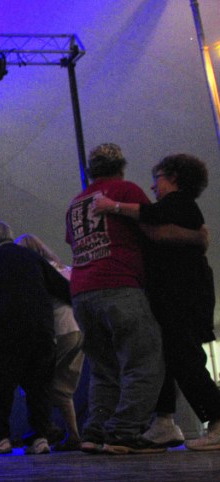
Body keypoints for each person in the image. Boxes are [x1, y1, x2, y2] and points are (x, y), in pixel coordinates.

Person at [91, 153, 220, 451]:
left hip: (182, 295)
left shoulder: (180, 204)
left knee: (183, 356)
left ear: (174, 177)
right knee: (165, 355)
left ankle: (215, 419)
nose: (152, 187)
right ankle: (163, 422)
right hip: (172, 293)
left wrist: (114, 207)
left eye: (157, 179)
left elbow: (153, 219)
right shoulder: (183, 212)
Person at [64, 143, 165, 454]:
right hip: (120, 285)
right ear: (121, 166)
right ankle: (123, 432)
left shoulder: (75, 203)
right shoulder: (126, 190)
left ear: (89, 171)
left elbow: (73, 241)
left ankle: (94, 433)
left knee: (104, 369)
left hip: (82, 291)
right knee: (144, 363)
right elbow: (152, 227)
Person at [0, 222, 70, 455]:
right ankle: (39, 437)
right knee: (39, 386)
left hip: (9, 328)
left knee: (0, 385)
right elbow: (62, 287)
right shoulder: (32, 257)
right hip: (42, 329)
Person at [15, 233, 85, 451]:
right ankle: (73, 435)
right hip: (79, 330)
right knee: (63, 386)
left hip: (59, 331)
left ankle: (43, 434)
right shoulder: (63, 268)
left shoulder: (36, 273)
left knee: (37, 383)